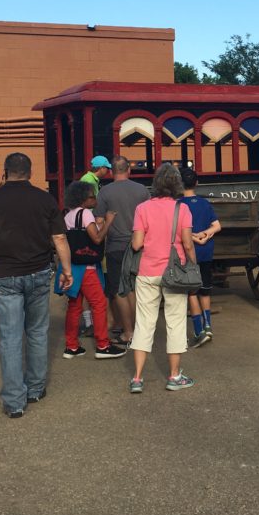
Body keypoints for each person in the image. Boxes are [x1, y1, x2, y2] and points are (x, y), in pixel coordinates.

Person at [0, 153, 73, 418]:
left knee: (10, 339)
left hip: (4, 276)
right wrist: (66, 270)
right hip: (38, 273)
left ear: (5, 172)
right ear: (30, 172)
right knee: (37, 332)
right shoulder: (44, 199)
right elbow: (58, 237)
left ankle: (14, 401)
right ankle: (35, 388)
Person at [128, 163, 197, 393]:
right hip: (174, 273)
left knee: (144, 323)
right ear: (176, 184)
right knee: (176, 321)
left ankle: (137, 378)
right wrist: (193, 267)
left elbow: (137, 243)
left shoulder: (142, 208)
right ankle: (174, 376)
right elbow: (187, 244)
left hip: (147, 272)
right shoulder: (183, 209)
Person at [57, 181, 126, 360]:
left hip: (73, 265)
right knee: (99, 303)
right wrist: (108, 223)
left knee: (74, 306)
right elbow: (96, 238)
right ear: (83, 199)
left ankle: (71, 346)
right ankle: (103, 345)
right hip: (87, 267)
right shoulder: (86, 213)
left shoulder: (68, 215)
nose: (95, 199)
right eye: (91, 196)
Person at [94, 155, 149, 344]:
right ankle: (139, 330)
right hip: (139, 245)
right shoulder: (142, 190)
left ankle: (128, 331)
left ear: (111, 172)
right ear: (129, 170)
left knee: (119, 290)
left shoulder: (104, 192)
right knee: (134, 288)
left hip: (115, 246)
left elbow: (99, 221)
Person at [180, 167, 221, 348]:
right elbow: (217, 226)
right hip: (206, 252)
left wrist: (195, 237)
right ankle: (208, 325)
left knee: (191, 291)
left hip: (189, 253)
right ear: (196, 183)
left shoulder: (179, 204)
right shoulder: (204, 203)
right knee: (205, 289)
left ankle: (198, 329)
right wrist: (205, 234)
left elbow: (181, 232)